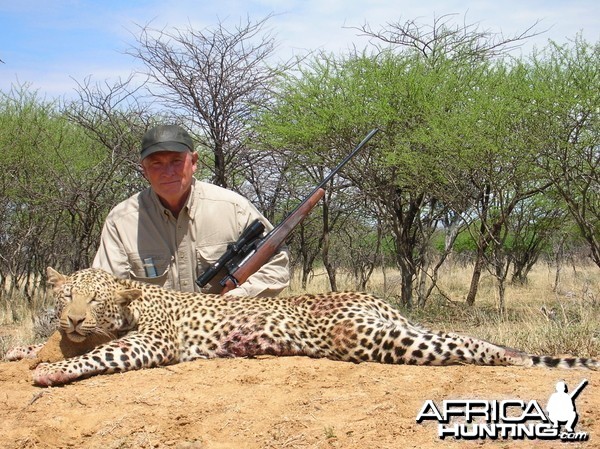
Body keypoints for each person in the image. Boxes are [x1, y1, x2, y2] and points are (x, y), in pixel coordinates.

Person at [92, 124, 290, 297]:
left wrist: (239, 298)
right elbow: (105, 288)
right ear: (144, 170)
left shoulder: (234, 208)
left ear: (194, 162)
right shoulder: (121, 220)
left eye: (176, 161)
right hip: (153, 333)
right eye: (156, 164)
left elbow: (277, 261)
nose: (168, 173)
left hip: (229, 327)